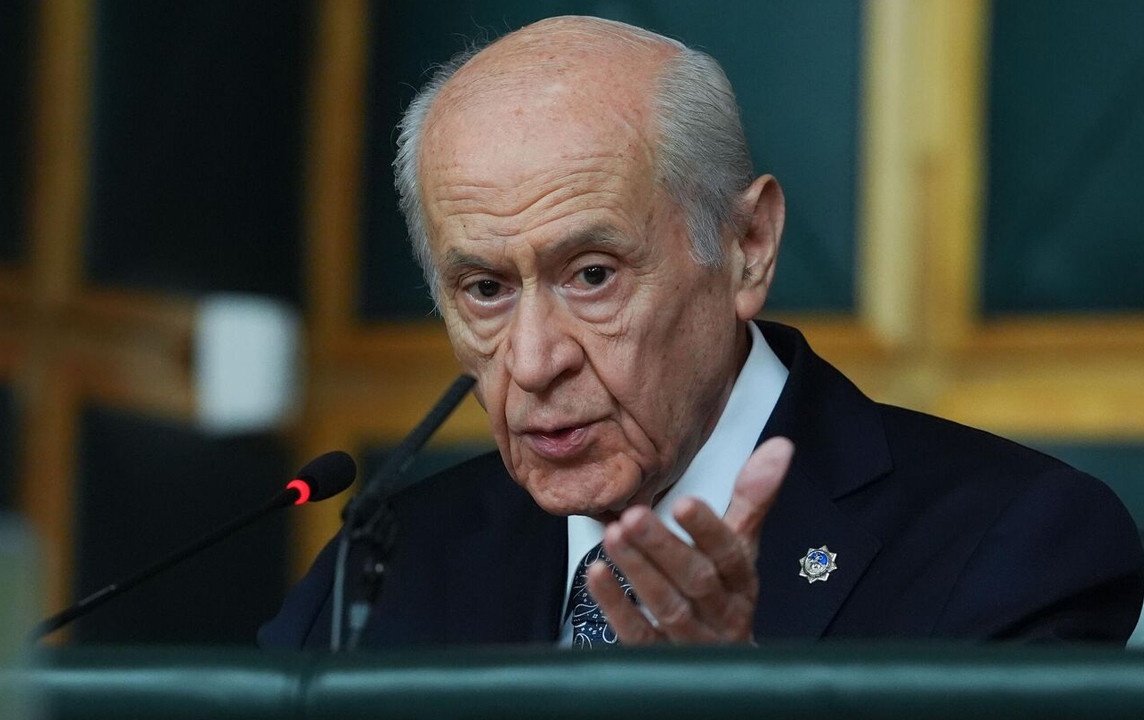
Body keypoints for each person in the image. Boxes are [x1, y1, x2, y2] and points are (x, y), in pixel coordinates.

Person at [261, 16, 1144, 648]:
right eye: (485, 289)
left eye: (593, 275)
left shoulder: (1016, 543)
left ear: (748, 248)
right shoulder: (382, 573)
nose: (532, 362)